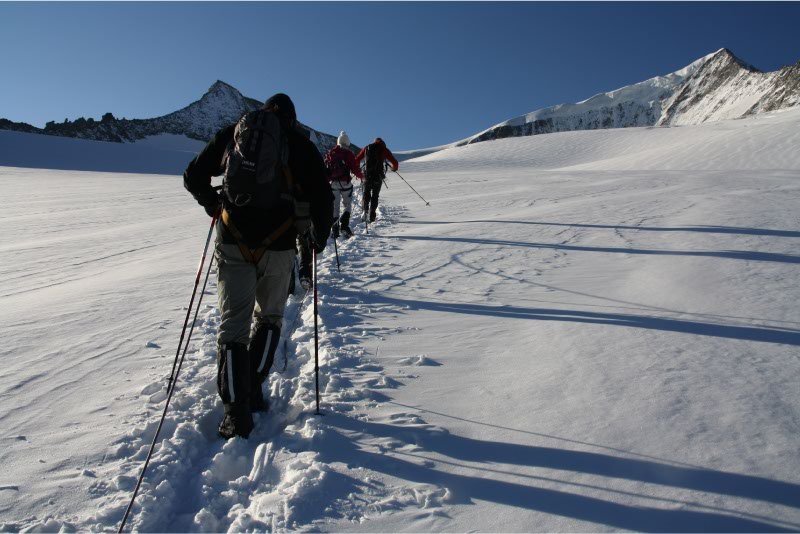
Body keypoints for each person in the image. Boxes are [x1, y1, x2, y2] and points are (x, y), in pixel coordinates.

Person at [184, 93, 333, 439]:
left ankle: (236, 414)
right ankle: (252, 388)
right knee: (269, 319)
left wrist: (214, 206)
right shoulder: (300, 145)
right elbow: (323, 200)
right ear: (292, 120)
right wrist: (317, 240)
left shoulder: (235, 133)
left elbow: (193, 175)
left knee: (232, 326)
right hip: (279, 247)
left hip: (233, 239)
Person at [324, 131, 363, 239]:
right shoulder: (348, 153)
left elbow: (326, 169)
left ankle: (335, 230)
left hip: (333, 184)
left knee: (335, 207)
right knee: (347, 204)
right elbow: (354, 168)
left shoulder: (331, 152)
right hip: (345, 183)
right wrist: (362, 176)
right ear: (347, 142)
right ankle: (344, 227)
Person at [355, 137, 398, 222]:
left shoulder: (367, 147)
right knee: (375, 196)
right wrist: (394, 169)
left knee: (366, 193)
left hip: (367, 175)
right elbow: (395, 163)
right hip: (378, 176)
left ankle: (365, 211)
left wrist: (358, 169)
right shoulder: (384, 149)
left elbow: (356, 159)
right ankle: (372, 214)